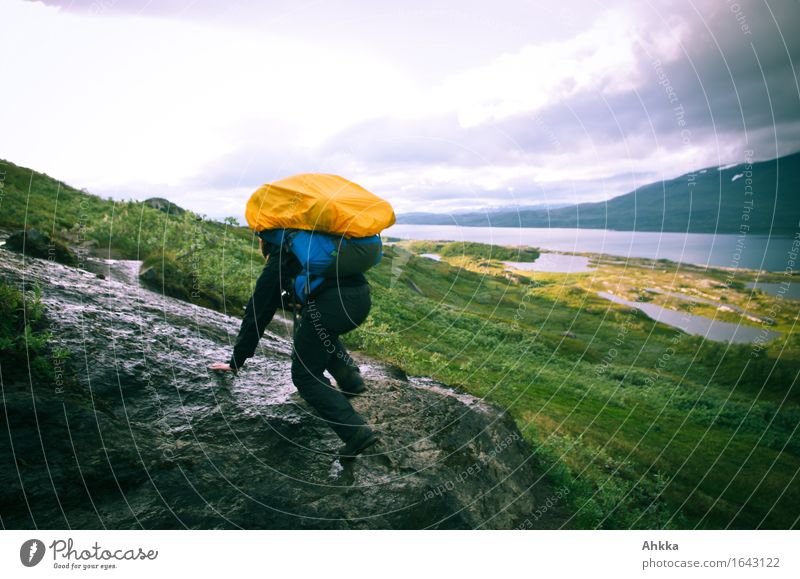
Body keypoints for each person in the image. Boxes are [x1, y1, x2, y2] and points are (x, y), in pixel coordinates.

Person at [209, 235, 379, 458]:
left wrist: (235, 362)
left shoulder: (281, 258)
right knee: (316, 336)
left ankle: (356, 433)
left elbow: (257, 313)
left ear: (265, 241)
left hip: (332, 306)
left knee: (305, 374)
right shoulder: (309, 243)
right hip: (359, 299)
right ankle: (351, 380)